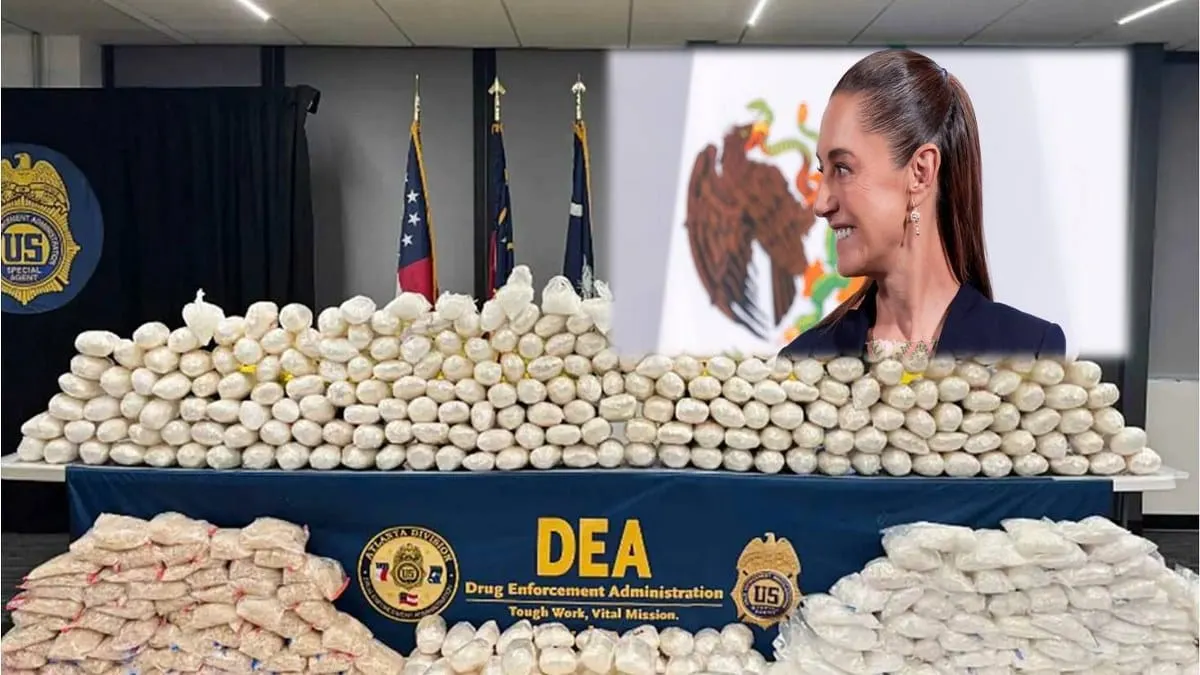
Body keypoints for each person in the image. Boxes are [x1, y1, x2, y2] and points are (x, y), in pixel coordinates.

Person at [781, 49, 1066, 360]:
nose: (821, 204)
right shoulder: (803, 361)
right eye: (823, 170)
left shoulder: (1030, 349)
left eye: (842, 168)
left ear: (920, 172)